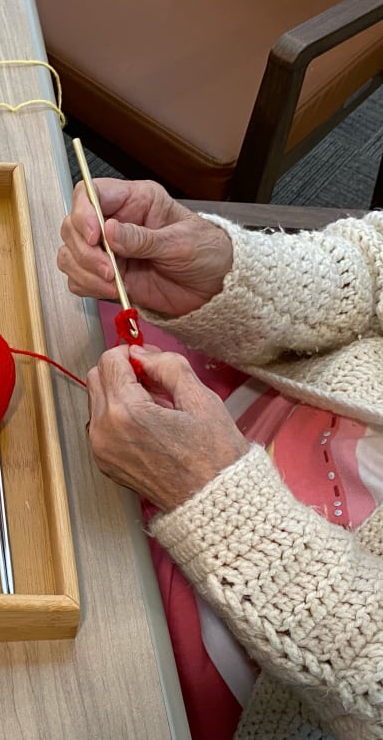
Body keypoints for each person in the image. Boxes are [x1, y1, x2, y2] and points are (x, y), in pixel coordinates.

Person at [57, 178, 383, 740]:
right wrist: (236, 277)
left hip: (277, 637)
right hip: (267, 381)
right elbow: (371, 267)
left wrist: (224, 508)